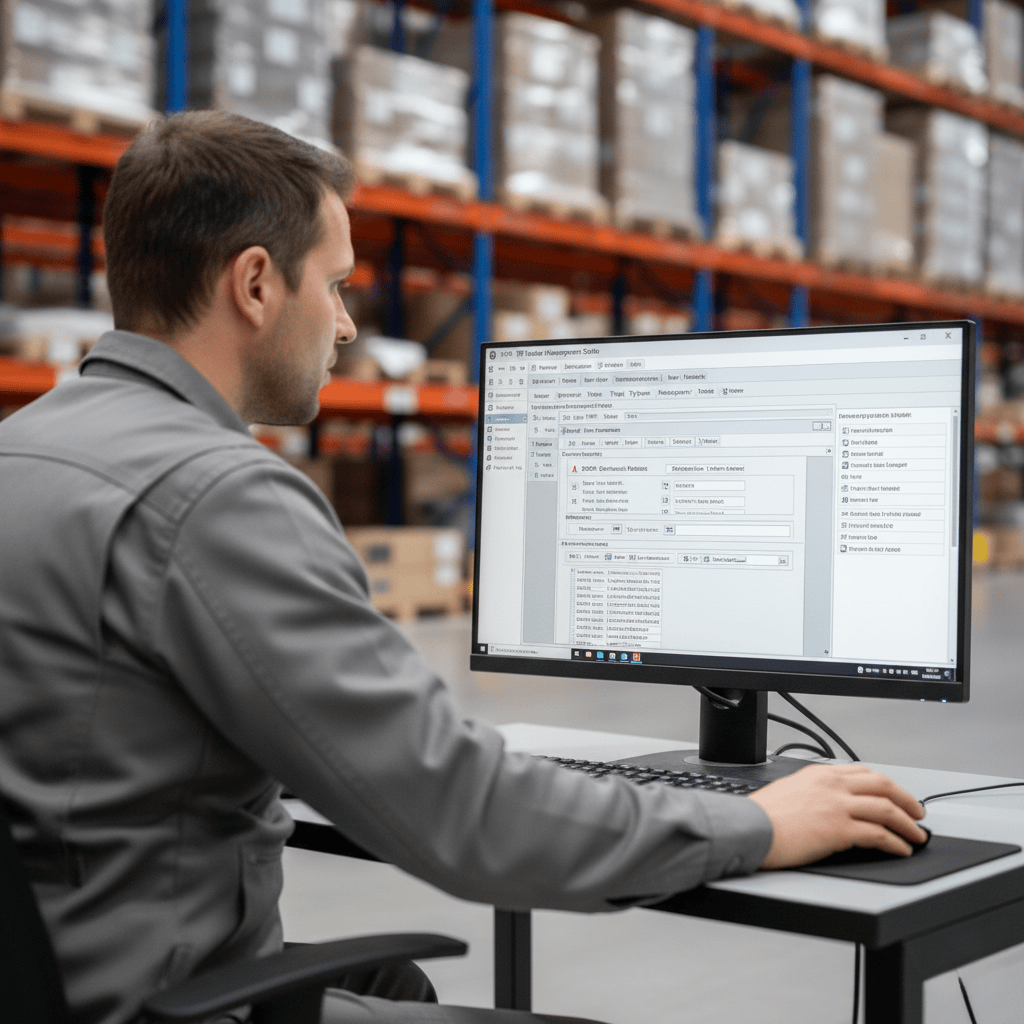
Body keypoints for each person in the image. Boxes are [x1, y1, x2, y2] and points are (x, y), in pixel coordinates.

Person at [0, 111, 928, 1024]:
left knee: (400, 983)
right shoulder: (217, 496)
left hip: (60, 963)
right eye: (336, 285)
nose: (349, 326)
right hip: (156, 1001)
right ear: (254, 284)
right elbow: (461, 814)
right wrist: (761, 824)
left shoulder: (24, 447)